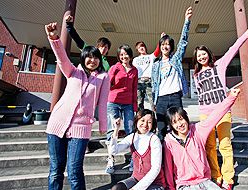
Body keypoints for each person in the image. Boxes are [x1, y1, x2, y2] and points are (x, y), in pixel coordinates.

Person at [192, 16, 248, 190]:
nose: (202, 57)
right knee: (209, 146)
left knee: (224, 143)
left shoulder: (220, 65)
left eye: (203, 54)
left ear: (208, 54)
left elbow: (234, 47)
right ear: (196, 59)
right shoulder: (196, 75)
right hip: (205, 112)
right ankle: (216, 175)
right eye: (198, 55)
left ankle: (228, 178)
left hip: (222, 110)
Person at [44, 22, 110, 189]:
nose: (92, 60)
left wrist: (104, 125)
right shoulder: (73, 72)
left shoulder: (103, 77)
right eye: (89, 56)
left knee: (74, 170)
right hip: (57, 123)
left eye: (96, 57)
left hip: (81, 128)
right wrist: (54, 38)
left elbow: (102, 103)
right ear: (83, 57)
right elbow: (61, 57)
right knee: (56, 170)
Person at [163, 89, 240, 190]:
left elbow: (215, 116)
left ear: (186, 118)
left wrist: (231, 98)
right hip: (184, 184)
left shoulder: (198, 130)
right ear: (171, 125)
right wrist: (171, 188)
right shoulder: (169, 141)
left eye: (181, 119)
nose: (179, 124)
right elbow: (168, 167)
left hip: (204, 181)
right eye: (175, 122)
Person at [151, 7, 192, 142]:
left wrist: (186, 21)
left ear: (171, 47)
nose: (165, 46)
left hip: (175, 97)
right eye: (163, 44)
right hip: (161, 99)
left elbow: (183, 41)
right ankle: (163, 158)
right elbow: (154, 84)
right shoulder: (156, 64)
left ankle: (181, 152)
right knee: (161, 128)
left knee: (179, 126)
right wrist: (154, 101)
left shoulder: (176, 59)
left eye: (168, 44)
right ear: (160, 46)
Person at [110, 109, 165, 190]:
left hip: (155, 183)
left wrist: (136, 188)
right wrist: (116, 130)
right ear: (137, 121)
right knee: (116, 188)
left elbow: (155, 169)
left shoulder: (154, 139)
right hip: (136, 179)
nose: (145, 124)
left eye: (149, 122)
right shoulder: (132, 137)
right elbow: (113, 151)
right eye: (142, 120)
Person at [105, 44, 138, 174]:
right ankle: (111, 159)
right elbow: (107, 83)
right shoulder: (115, 67)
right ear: (119, 56)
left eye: (126, 54)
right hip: (113, 101)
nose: (124, 56)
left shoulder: (134, 70)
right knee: (112, 130)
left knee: (131, 130)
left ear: (130, 55)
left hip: (128, 103)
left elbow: (134, 88)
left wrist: (135, 105)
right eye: (121, 54)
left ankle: (132, 159)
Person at [132, 33, 165, 111]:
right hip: (139, 82)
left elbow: (157, 51)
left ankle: (155, 120)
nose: (141, 48)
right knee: (139, 102)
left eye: (142, 46)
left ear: (145, 47)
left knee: (153, 102)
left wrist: (161, 40)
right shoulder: (135, 59)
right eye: (139, 47)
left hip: (149, 81)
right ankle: (140, 119)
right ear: (137, 49)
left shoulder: (150, 56)